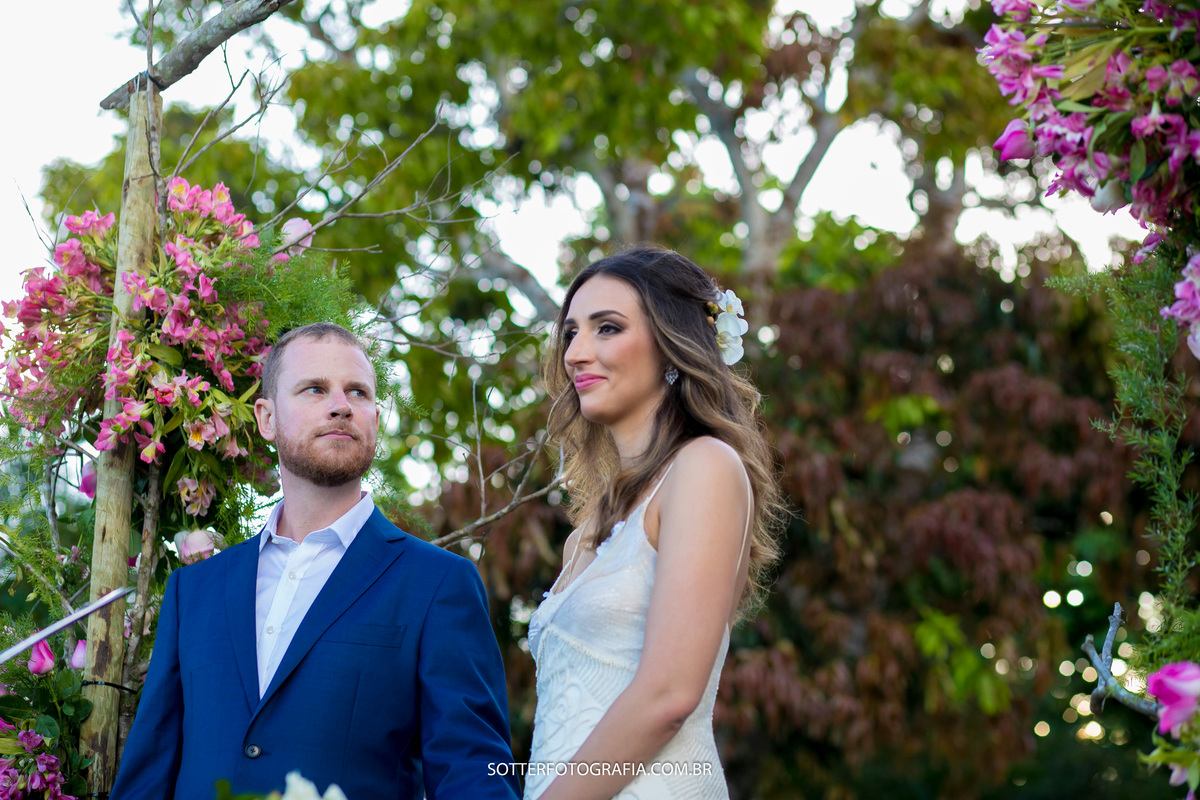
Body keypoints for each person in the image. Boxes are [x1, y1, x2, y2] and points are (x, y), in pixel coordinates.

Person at [111, 323, 520, 800]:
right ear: (266, 418)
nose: (341, 404)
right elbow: (147, 776)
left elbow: (475, 774)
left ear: (375, 418)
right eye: (314, 389)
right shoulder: (194, 591)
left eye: (358, 392)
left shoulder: (438, 584)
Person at [524, 246, 784, 799]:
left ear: (672, 343)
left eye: (607, 328)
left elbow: (669, 694)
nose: (576, 352)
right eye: (571, 333)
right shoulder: (582, 535)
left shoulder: (705, 467)